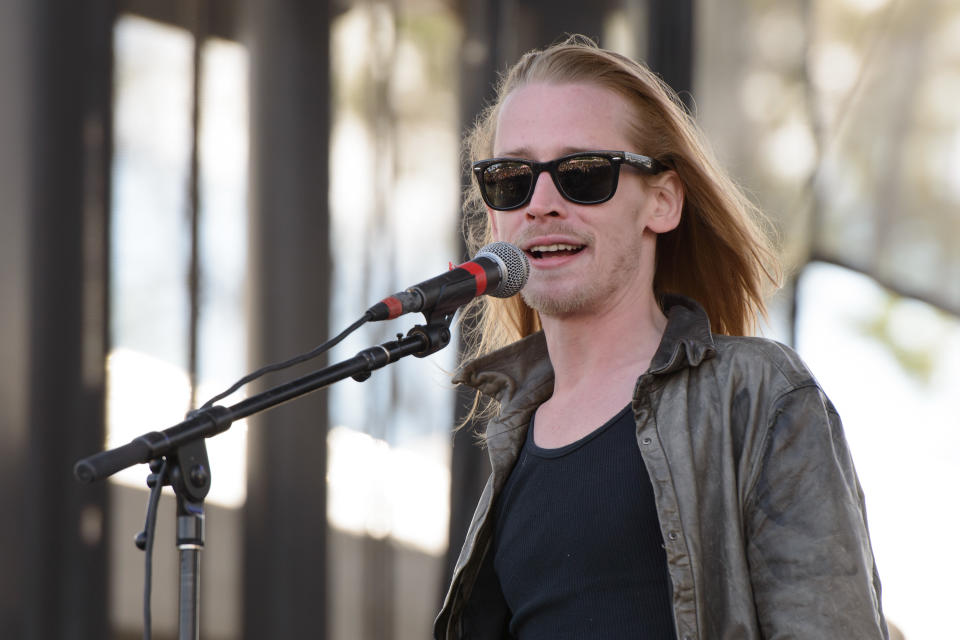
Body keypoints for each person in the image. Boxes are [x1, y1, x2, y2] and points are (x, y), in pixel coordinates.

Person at [435, 36, 888, 640]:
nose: (539, 204)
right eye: (511, 178)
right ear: (492, 214)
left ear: (664, 201)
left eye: (583, 174)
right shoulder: (508, 441)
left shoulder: (757, 395)